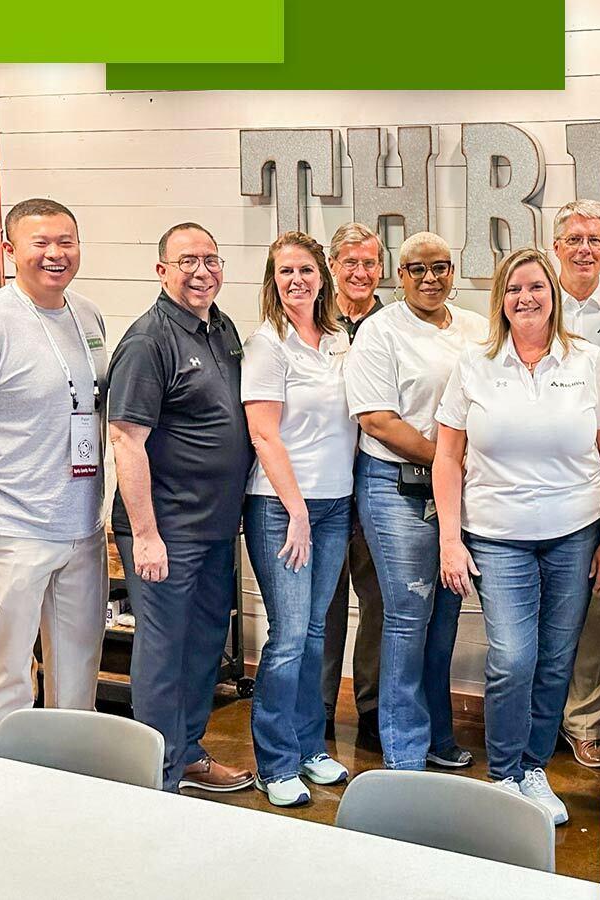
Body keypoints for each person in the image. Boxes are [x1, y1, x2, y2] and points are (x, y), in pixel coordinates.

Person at [434, 247, 600, 824]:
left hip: (575, 533)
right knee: (512, 659)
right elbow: (448, 456)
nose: (526, 298)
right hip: (497, 536)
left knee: (554, 659)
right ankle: (503, 775)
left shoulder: (586, 360)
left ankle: (534, 768)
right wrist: (451, 539)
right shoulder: (475, 364)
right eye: (514, 289)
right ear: (501, 299)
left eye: (536, 288)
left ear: (554, 296)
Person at [108, 223, 254, 793]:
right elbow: (126, 438)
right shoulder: (149, 341)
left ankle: (187, 753)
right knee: (164, 654)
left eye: (211, 260)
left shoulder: (222, 328)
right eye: (188, 260)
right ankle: (157, 779)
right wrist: (145, 534)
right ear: (161, 269)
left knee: (204, 645)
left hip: (216, 526)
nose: (202, 271)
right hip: (165, 528)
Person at [0, 198, 108, 753]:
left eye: (66, 242)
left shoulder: (88, 315)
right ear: (10, 250)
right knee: (5, 677)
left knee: (78, 677)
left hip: (82, 526)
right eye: (40, 243)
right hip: (10, 529)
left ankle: (67, 788)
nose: (55, 254)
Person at [345, 231, 486, 772]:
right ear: (399, 276)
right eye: (417, 269)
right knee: (407, 616)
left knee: (445, 616)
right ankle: (404, 749)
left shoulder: (475, 328)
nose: (431, 279)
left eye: (441, 267)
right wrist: (446, 459)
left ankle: (438, 736)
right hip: (395, 487)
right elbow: (377, 419)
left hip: (457, 492)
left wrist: (460, 469)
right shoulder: (380, 332)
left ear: (454, 270)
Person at [241, 231, 355, 806]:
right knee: (286, 638)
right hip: (281, 507)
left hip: (335, 504)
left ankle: (310, 747)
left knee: (315, 634)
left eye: (305, 270)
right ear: (273, 281)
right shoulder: (268, 345)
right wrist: (296, 512)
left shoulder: (338, 338)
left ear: (321, 276)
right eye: (284, 271)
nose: (296, 280)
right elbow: (264, 434)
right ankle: (275, 762)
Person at [553, 200, 600, 769]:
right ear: (556, 246)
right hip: (537, 490)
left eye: (594, 240)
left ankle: (584, 721)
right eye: (574, 238)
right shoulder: (529, 302)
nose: (585, 248)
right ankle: (540, 716)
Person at [321, 222, 386, 746]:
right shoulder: (313, 322)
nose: (360, 273)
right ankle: (318, 709)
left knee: (380, 602)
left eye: (369, 263)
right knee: (324, 602)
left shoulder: (397, 325)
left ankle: (371, 708)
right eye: (351, 263)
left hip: (380, 482)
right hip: (323, 481)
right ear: (333, 268)